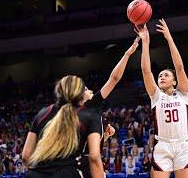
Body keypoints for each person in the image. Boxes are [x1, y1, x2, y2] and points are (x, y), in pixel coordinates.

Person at [22, 37, 140, 171]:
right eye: (85, 89)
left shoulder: (47, 113)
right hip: (79, 168)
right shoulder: (89, 108)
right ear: (78, 95)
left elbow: (83, 145)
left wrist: (104, 136)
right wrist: (127, 54)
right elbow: (114, 79)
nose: (90, 90)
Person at [136, 19, 188, 178]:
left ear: (174, 81)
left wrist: (169, 38)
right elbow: (146, 71)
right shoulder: (156, 96)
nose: (161, 77)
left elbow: (179, 67)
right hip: (162, 145)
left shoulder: (183, 93)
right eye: (160, 75)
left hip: (183, 145)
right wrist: (145, 42)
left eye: (166, 75)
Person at [26, 75, 104, 177]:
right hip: (66, 173)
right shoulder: (89, 116)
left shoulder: (43, 113)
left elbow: (26, 156)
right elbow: (94, 157)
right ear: (80, 94)